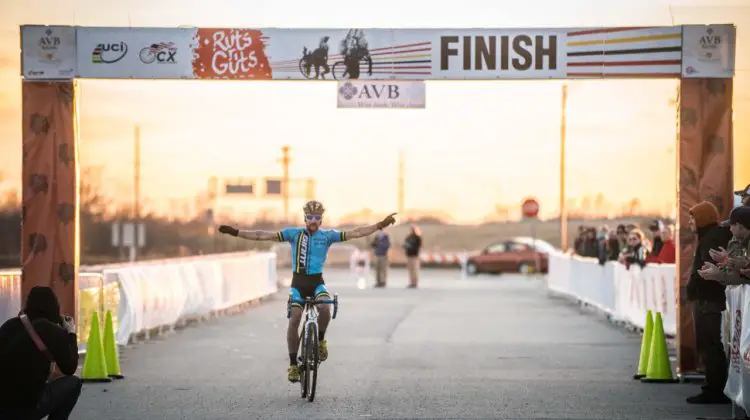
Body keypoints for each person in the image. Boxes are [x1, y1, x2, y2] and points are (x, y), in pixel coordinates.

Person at [217, 200, 397, 383]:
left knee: (325, 308)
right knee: (295, 317)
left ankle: (320, 341)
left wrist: (379, 225)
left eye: (317, 217)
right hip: (298, 284)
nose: (313, 220)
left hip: (317, 282)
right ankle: (294, 365)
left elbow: (356, 232)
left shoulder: (328, 236)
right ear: (304, 218)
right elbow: (262, 235)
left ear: (321, 220)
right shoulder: (293, 234)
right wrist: (236, 232)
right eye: (310, 217)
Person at [0, 286, 82, 420]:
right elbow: (70, 368)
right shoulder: (53, 331)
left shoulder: (9, 325)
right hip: (26, 408)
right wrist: (71, 333)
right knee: (73, 383)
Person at [684, 201, 733, 404]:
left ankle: (715, 390)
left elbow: (707, 270)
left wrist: (694, 286)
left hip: (708, 300)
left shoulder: (711, 238)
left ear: (702, 219)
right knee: (710, 344)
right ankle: (714, 387)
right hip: (707, 299)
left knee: (709, 344)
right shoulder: (710, 237)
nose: (689, 222)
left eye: (692, 218)